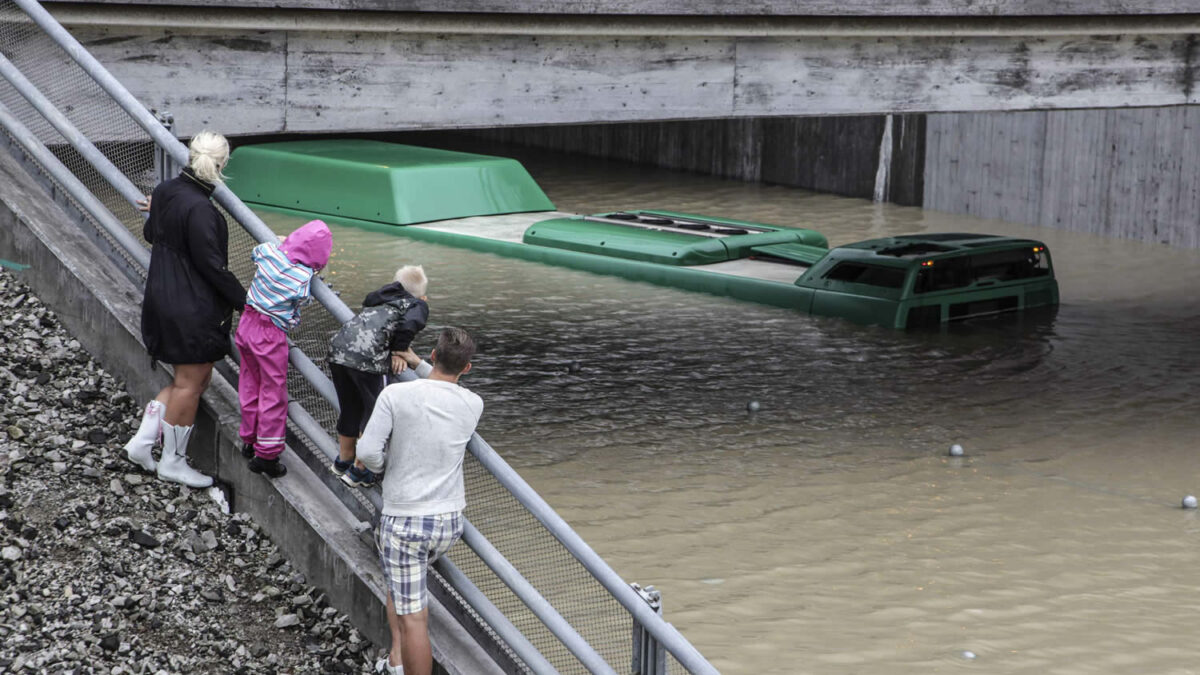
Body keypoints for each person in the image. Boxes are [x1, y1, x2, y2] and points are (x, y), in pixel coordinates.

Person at [123, 130, 245, 488]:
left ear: (190, 156)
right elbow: (212, 267)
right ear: (223, 164)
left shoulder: (164, 192)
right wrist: (246, 301)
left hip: (161, 296)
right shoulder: (202, 210)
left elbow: (151, 235)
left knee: (191, 380)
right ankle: (173, 462)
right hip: (190, 306)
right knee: (191, 385)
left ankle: (143, 445)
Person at [357, 327, 481, 675]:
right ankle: (397, 661)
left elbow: (367, 451)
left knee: (415, 618)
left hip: (406, 523)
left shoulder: (395, 396)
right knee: (400, 587)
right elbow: (445, 388)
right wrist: (424, 366)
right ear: (467, 369)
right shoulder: (473, 404)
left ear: (433, 355)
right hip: (448, 522)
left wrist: (384, 468)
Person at [235, 219, 332, 478]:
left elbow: (257, 252)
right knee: (272, 392)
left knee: (249, 383)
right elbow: (302, 298)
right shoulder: (303, 277)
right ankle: (266, 454)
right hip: (269, 335)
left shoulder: (269, 253)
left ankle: (249, 438)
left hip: (246, 323)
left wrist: (282, 246)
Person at [326, 265, 430, 488]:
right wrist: (397, 350)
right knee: (376, 414)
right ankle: (360, 470)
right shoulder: (417, 304)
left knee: (350, 406)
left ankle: (343, 460)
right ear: (423, 296)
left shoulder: (381, 296)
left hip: (340, 351)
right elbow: (411, 324)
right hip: (368, 359)